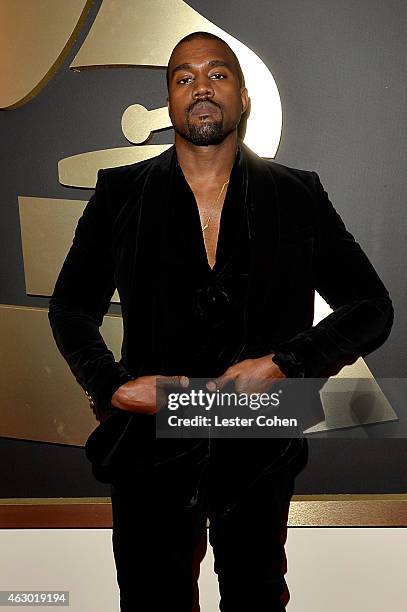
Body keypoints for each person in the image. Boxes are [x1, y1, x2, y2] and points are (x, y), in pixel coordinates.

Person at [48, 31, 394, 612]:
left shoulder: (296, 194)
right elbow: (70, 307)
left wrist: (286, 365)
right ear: (168, 100)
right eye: (184, 77)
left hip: (257, 433)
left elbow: (371, 307)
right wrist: (111, 386)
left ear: (243, 96)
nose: (200, 87)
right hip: (151, 440)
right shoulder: (120, 193)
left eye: (217, 73)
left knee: (256, 599)